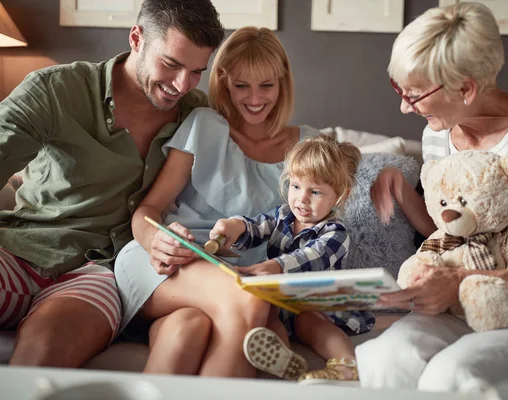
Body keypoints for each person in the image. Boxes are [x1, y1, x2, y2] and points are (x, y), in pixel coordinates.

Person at [355, 2, 508, 392]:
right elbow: (454, 236)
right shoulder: (437, 134)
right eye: (400, 90)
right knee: (385, 358)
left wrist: (464, 282)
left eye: (415, 95)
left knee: (450, 375)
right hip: (467, 309)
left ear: (466, 88)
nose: (404, 106)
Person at [0, 0, 223, 367]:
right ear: (137, 39)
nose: (182, 85)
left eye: (197, 71)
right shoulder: (57, 89)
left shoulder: (195, 116)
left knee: (43, 353)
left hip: (95, 274)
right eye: (171, 64)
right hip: (20, 250)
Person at [114, 26, 320, 377]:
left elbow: (319, 231)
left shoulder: (310, 148)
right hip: (168, 264)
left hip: (245, 278)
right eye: (242, 85)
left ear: (283, 81)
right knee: (249, 300)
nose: (254, 98)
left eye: (266, 85)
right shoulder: (204, 124)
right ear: (224, 81)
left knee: (186, 329)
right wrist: (156, 241)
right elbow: (148, 211)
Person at [209, 135, 372, 384]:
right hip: (284, 303)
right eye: (296, 186)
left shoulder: (335, 233)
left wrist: (275, 266)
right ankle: (284, 360)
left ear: (340, 196)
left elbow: (310, 257)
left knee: (308, 320)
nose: (302, 198)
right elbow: (255, 228)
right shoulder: (282, 216)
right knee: (267, 316)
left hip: (320, 306)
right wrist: (234, 226)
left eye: (315, 191)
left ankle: (348, 364)